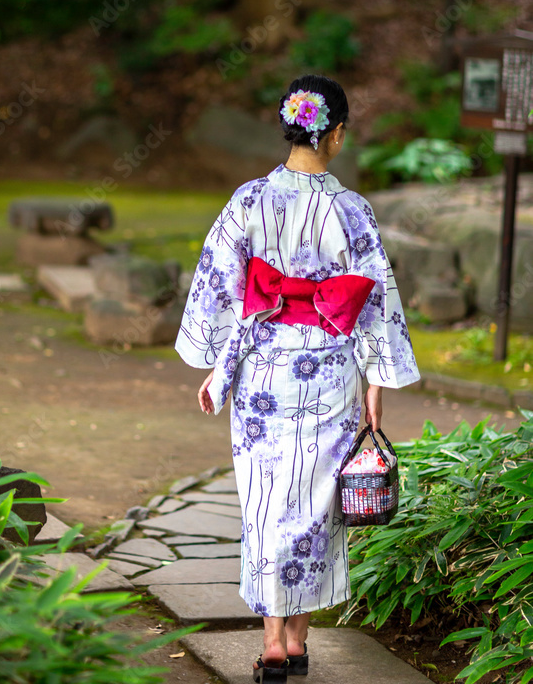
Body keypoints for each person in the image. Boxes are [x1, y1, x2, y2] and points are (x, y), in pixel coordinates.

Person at [174, 74, 420, 683]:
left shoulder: (247, 201)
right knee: (315, 506)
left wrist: (217, 361)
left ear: (290, 128)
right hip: (331, 368)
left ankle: (272, 643)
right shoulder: (351, 210)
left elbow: (220, 288)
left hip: (263, 370)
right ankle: (300, 640)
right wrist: (375, 381)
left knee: (263, 502)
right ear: (335, 134)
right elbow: (373, 300)